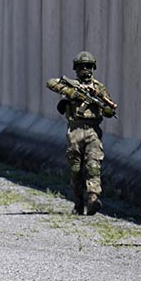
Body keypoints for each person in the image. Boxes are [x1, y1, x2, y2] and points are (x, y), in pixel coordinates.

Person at [46, 51, 117, 215]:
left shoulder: (98, 88)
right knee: (76, 168)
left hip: (93, 131)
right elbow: (51, 83)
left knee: (93, 165)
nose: (85, 69)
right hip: (75, 130)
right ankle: (78, 203)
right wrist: (72, 94)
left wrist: (103, 107)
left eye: (88, 66)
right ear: (76, 68)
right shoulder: (71, 85)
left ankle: (93, 198)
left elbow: (108, 112)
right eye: (81, 66)